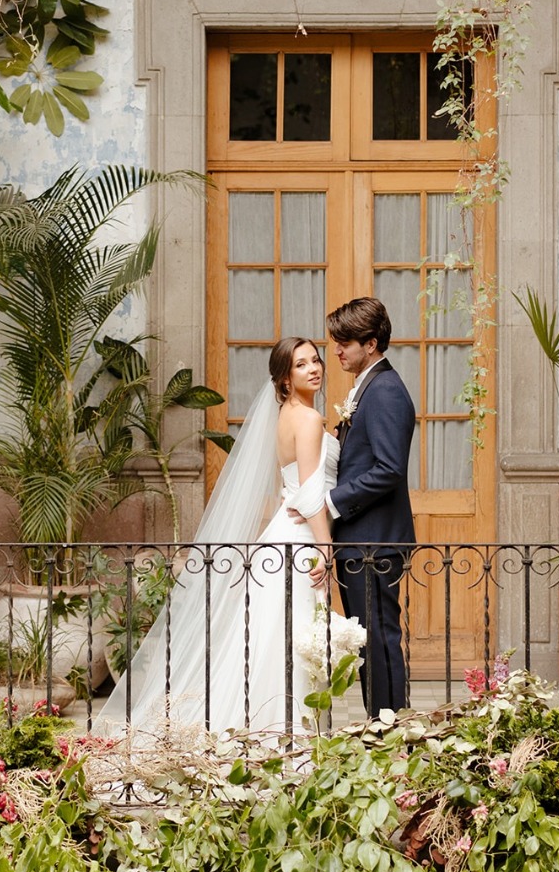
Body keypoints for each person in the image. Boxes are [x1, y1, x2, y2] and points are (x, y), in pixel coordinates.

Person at [95, 336, 339, 739]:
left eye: (316, 360)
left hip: (281, 535)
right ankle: (286, 737)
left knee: (274, 641)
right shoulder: (309, 420)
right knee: (290, 643)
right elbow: (310, 493)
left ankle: (268, 733)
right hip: (299, 540)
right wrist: (325, 549)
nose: (314, 368)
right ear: (283, 378)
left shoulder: (287, 417)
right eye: (301, 364)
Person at [317, 297, 416, 717]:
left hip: (374, 542)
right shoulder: (368, 386)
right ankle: (382, 724)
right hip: (360, 540)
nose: (337, 351)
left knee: (379, 638)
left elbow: (389, 468)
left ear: (371, 343)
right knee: (368, 639)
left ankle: (392, 728)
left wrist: (331, 503)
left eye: (346, 343)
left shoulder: (387, 390)